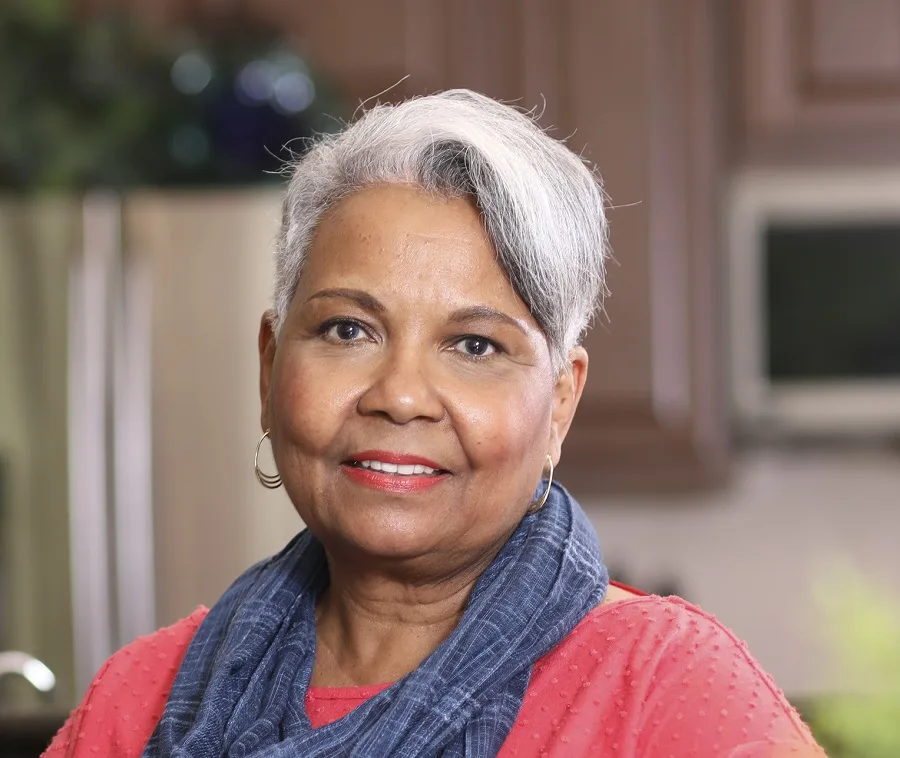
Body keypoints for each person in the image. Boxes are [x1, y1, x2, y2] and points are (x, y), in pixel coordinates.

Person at [45, 89, 824, 757]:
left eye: (474, 344)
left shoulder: (667, 688)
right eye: (348, 330)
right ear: (269, 366)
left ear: (559, 404)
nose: (402, 395)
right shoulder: (139, 700)